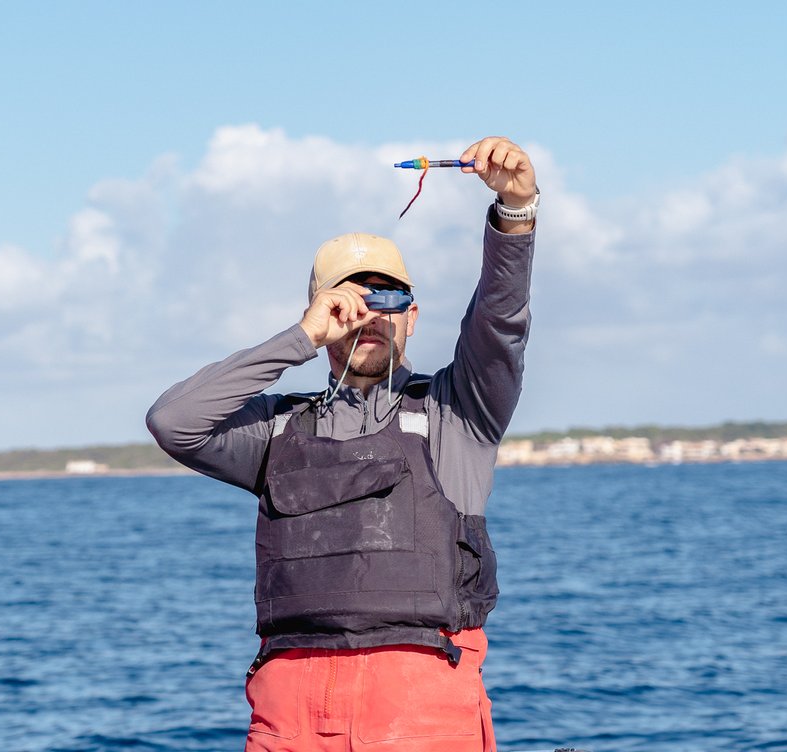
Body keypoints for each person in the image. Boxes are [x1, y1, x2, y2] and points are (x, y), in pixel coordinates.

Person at [146, 136, 538, 752]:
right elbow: (173, 421)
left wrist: (514, 215)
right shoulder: (275, 431)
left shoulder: (456, 413)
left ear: (413, 315)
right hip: (289, 717)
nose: (370, 316)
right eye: (352, 301)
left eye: (389, 299)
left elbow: (500, 324)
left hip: (420, 712)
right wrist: (299, 339)